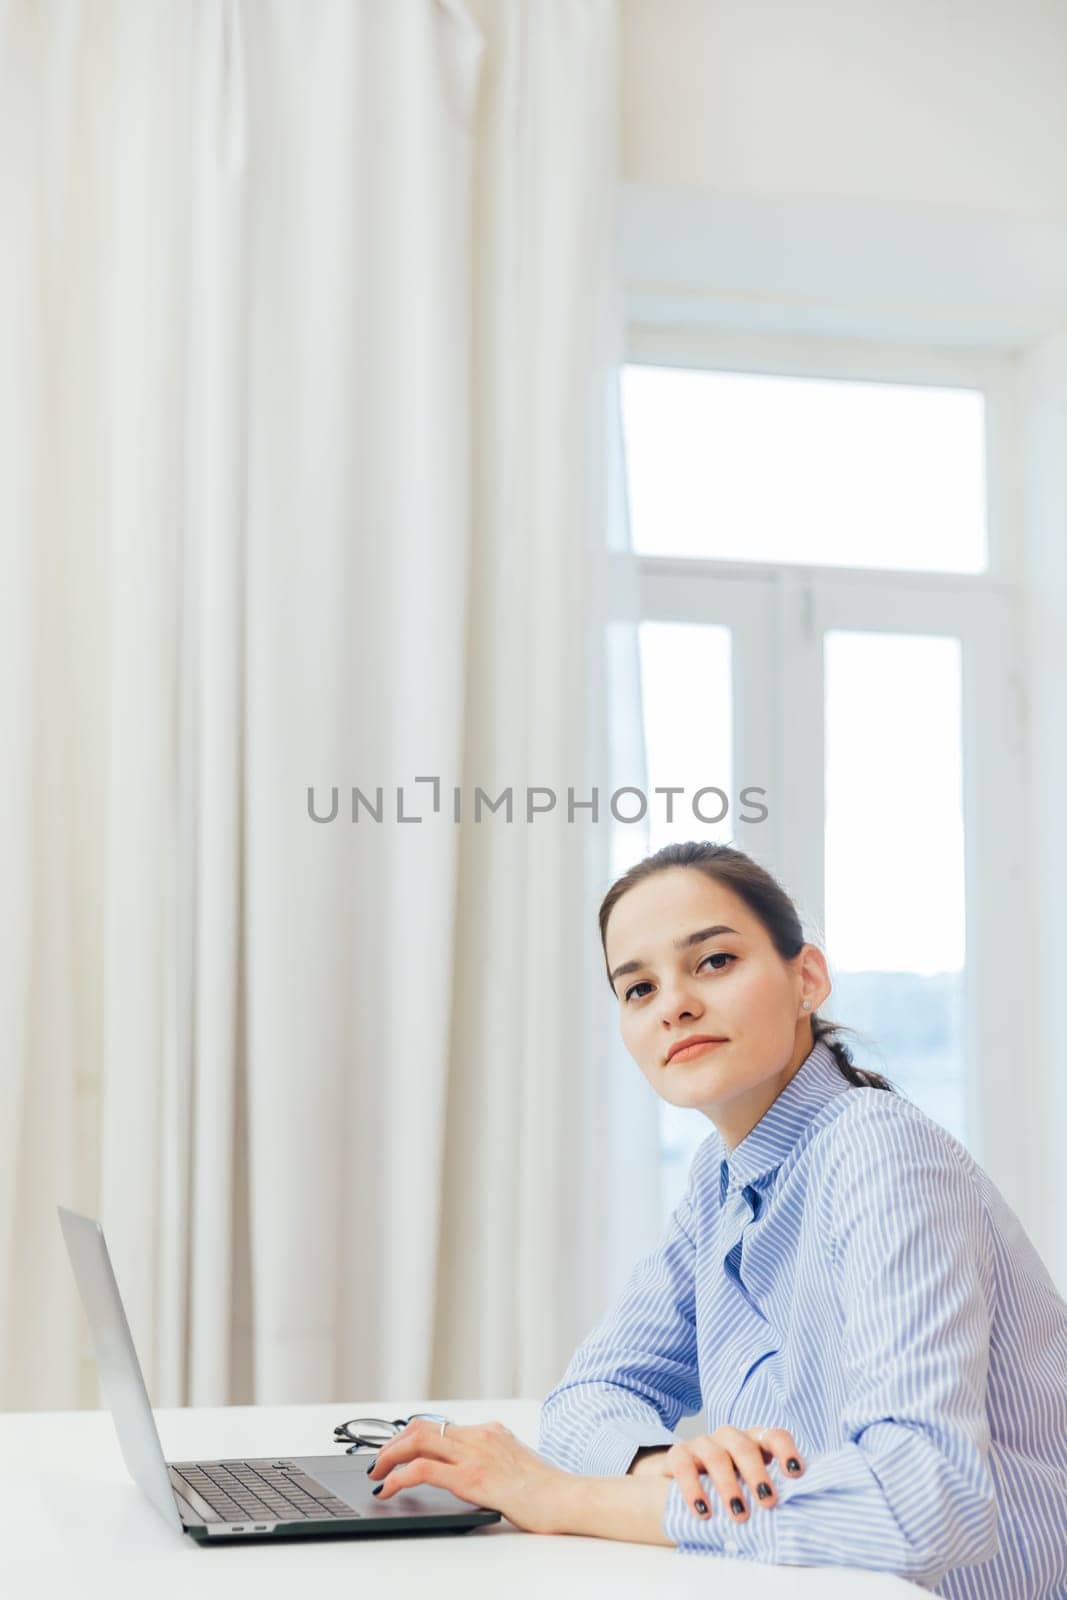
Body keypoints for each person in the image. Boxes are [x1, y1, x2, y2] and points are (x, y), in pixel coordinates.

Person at [365, 842, 1067, 1597]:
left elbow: (928, 1505)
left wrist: (562, 1496)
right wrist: (662, 1467)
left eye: (712, 962)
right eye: (637, 989)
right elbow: (584, 1401)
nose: (673, 1004)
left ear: (807, 979)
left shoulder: (877, 1148)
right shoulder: (720, 1179)